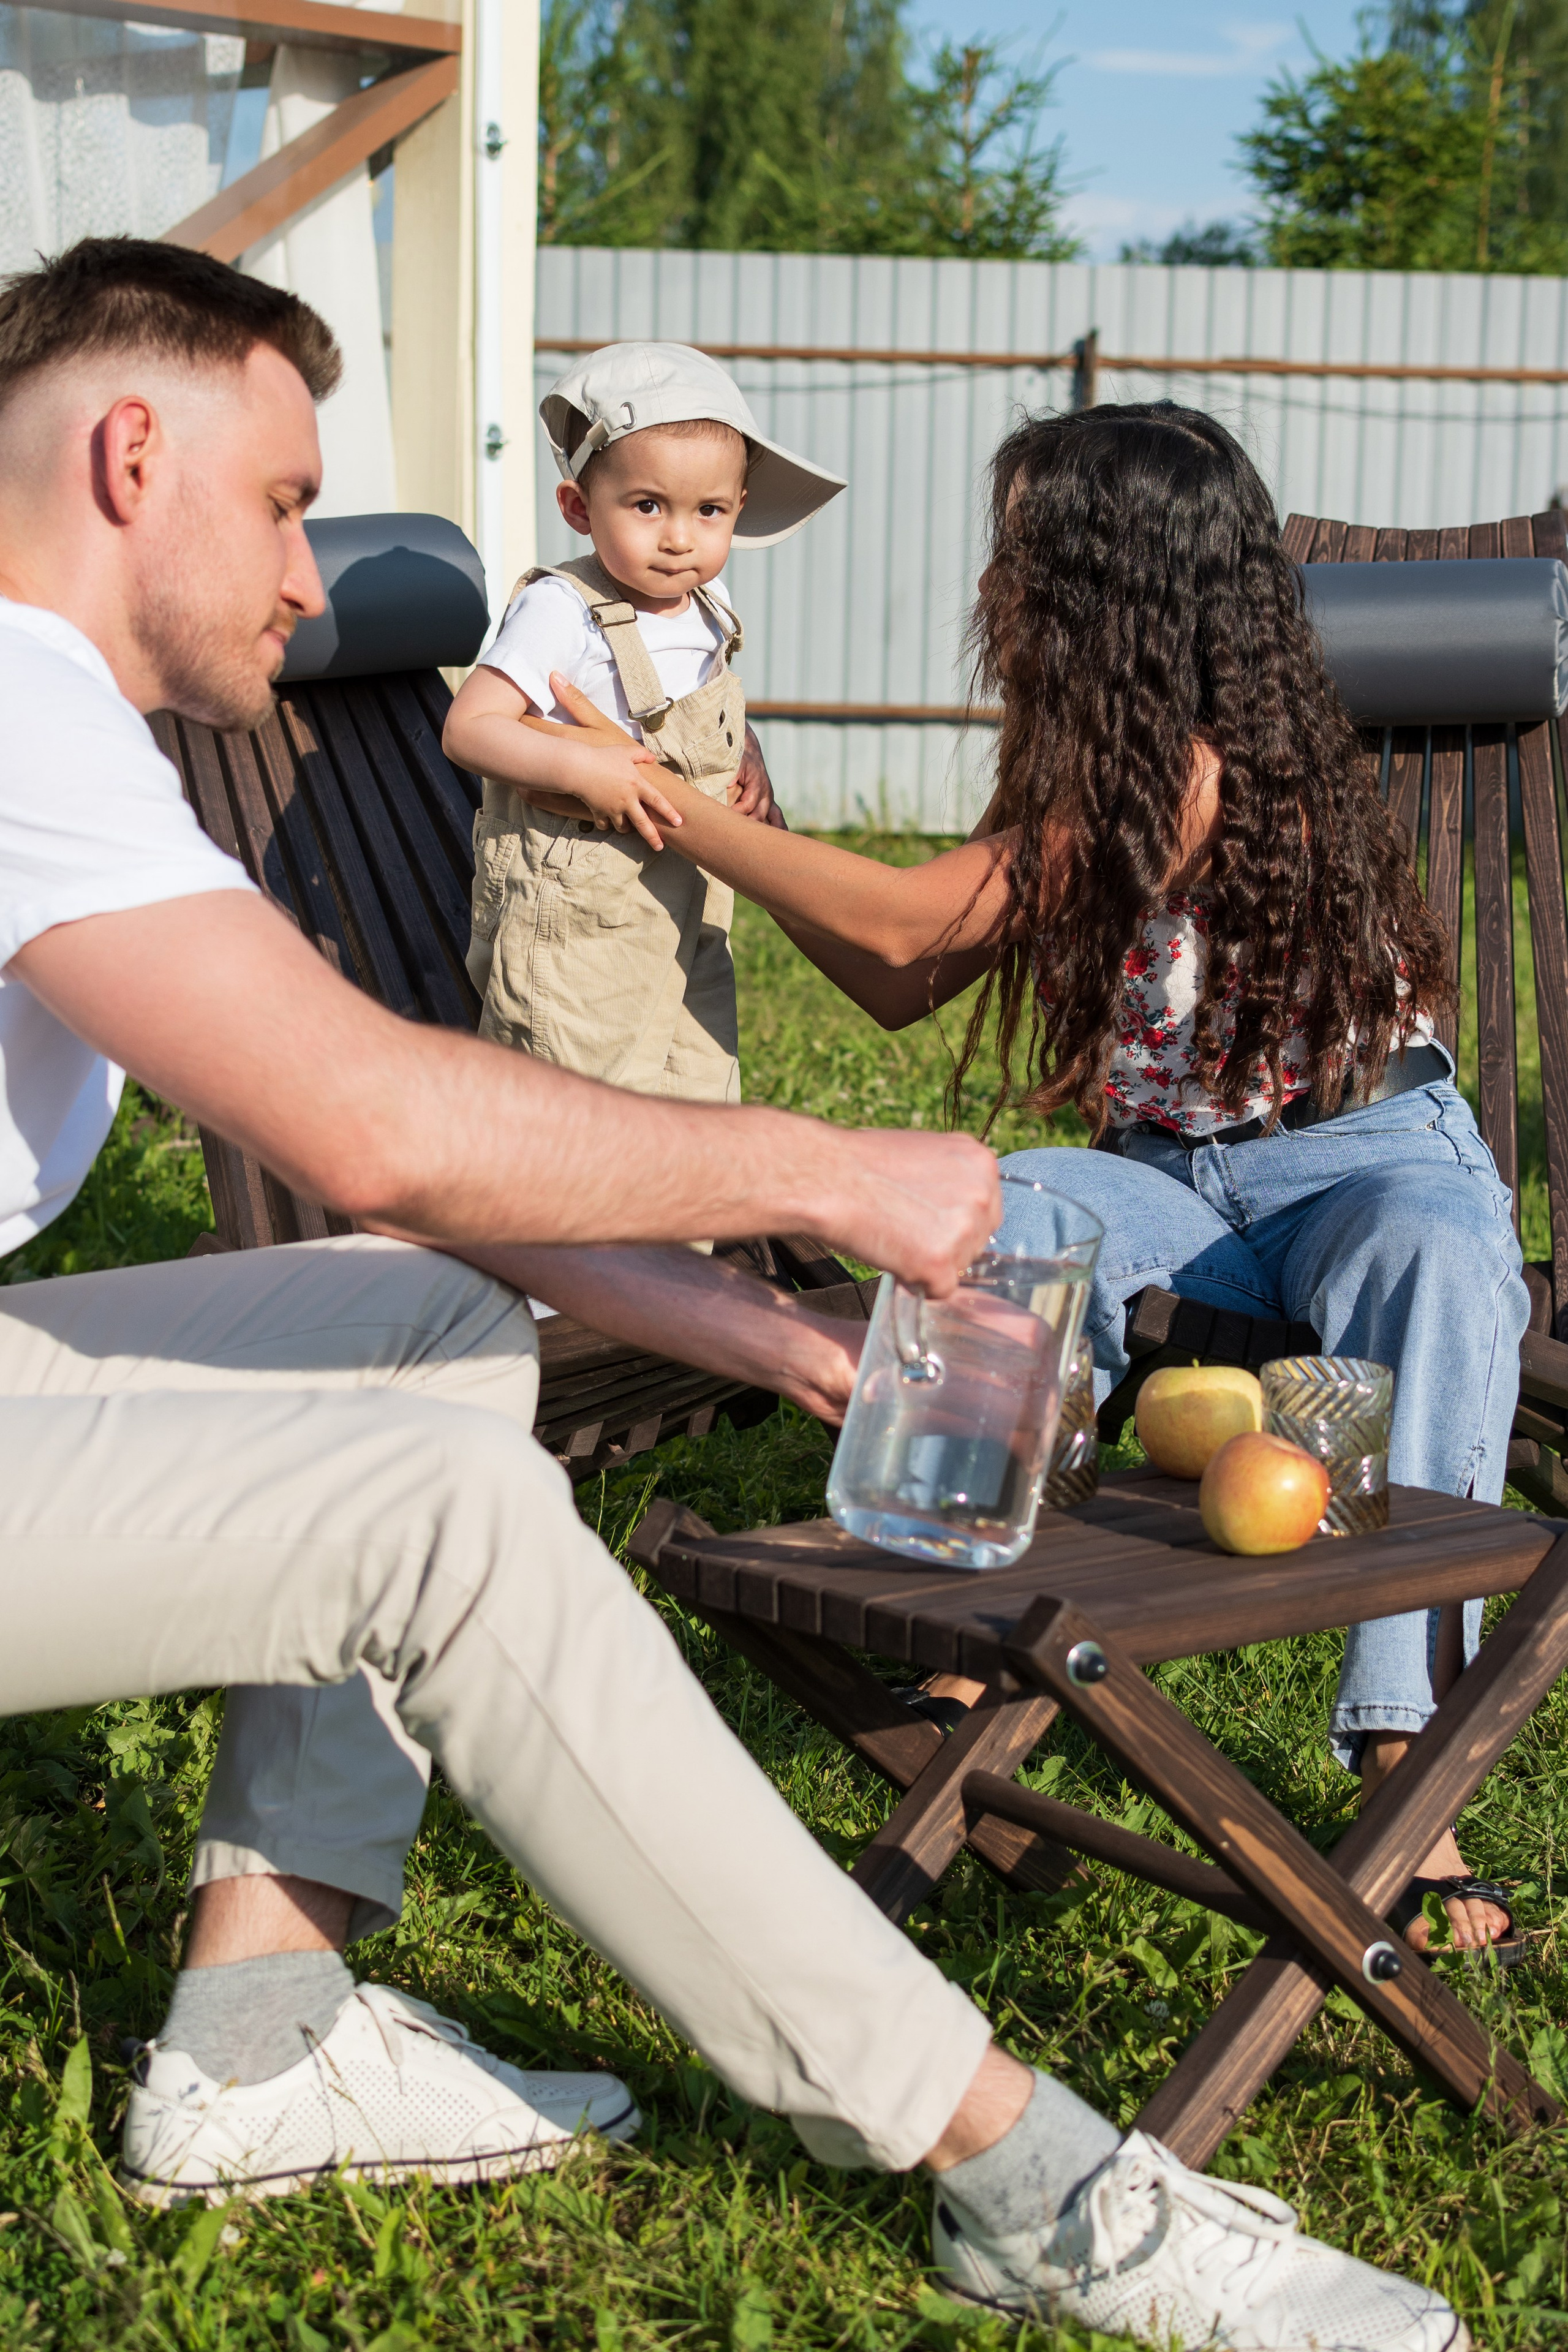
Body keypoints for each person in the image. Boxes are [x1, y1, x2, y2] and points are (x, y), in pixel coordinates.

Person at [0, 239, 1467, 2351]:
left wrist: (778, 1331)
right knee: (445, 1512)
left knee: (419, 1322)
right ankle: (1027, 2177)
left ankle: (263, 2037)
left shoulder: (62, 724)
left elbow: (392, 1175)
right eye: (287, 502)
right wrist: (829, 1172)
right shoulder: (24, 710)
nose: (315, 582)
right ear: (134, 455)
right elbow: (383, 1124)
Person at [597, 399, 1529, 1966]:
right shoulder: (1085, 760)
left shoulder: (1194, 768)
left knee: (1431, 1259)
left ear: (1111, 587)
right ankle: (972, 1629)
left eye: (1020, 550)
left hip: (1364, 1161)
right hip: (1172, 1180)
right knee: (997, 1200)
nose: (992, 579)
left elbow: (904, 926)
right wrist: (759, 833)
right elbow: (903, 977)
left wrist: (656, 799)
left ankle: (1402, 1759)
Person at [442, 342, 840, 1104]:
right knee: (583, 1103)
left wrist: (744, 753)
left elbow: (697, 712)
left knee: (695, 1090)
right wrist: (583, 767)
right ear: (578, 508)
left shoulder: (707, 607)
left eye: (708, 511)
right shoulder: (561, 610)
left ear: (738, 509)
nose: (679, 538)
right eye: (648, 506)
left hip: (689, 901)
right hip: (579, 912)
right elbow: (471, 728)